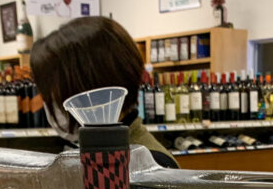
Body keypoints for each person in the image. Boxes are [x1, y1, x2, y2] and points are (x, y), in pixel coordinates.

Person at [31, 16, 179, 168]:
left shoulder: (148, 165)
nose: (50, 105)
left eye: (54, 95)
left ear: (88, 90)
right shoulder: (106, 154)